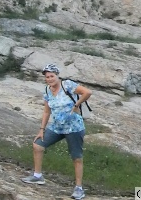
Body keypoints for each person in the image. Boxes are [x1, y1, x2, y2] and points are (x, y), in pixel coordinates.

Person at [22, 63, 92, 200]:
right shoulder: (47, 91)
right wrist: (41, 129)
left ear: (57, 75)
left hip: (73, 127)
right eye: (47, 77)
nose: (49, 79)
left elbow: (87, 92)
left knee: (76, 157)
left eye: (52, 76)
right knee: (38, 145)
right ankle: (37, 176)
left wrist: (77, 105)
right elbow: (47, 111)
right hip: (57, 126)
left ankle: (79, 188)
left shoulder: (68, 85)